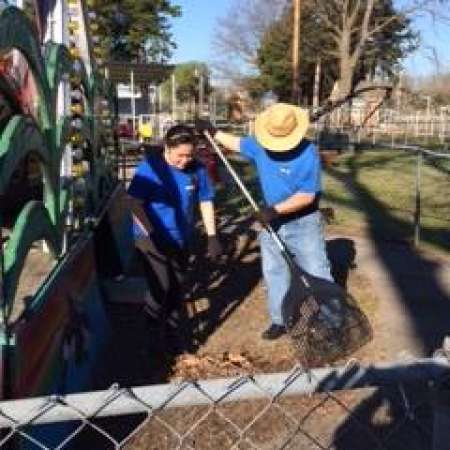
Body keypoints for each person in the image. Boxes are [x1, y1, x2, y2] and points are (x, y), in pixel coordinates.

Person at [195, 103, 336, 340]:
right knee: (274, 272)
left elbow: (307, 195)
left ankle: (330, 320)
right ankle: (280, 319)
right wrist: (212, 131)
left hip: (303, 222)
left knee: (317, 270)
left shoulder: (308, 153)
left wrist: (274, 210)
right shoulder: (260, 145)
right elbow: (238, 143)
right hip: (273, 223)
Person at [128, 124, 222, 338]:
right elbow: (134, 203)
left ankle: (171, 334)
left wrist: (212, 237)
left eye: (189, 155)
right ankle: (150, 336)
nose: (184, 161)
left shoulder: (197, 169)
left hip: (181, 237)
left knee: (177, 288)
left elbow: (205, 201)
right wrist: (152, 235)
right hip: (150, 237)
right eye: (180, 155)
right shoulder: (150, 168)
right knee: (160, 288)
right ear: (167, 148)